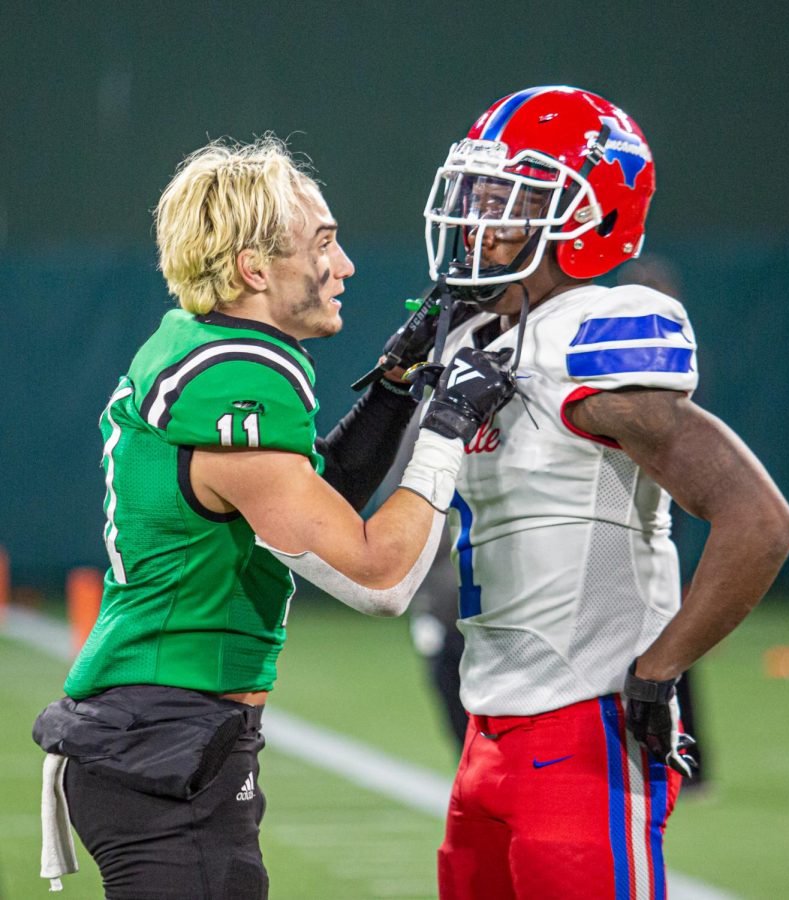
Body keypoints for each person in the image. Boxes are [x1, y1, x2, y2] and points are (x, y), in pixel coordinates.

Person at [31, 136, 516, 899]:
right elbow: (379, 576)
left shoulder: (209, 345)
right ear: (255, 270)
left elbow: (310, 498)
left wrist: (395, 387)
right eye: (323, 243)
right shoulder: (235, 380)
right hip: (161, 744)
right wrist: (447, 426)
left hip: (169, 738)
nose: (345, 265)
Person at [418, 86, 789, 899]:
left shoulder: (592, 335)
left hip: (581, 732)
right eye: (477, 194)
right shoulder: (481, 333)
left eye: (509, 200)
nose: (478, 220)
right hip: (488, 729)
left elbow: (760, 520)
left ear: (587, 220)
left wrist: (659, 672)